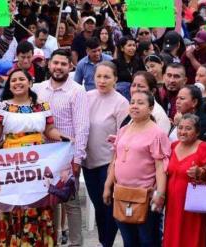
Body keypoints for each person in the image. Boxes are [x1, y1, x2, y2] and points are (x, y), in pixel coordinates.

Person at [0, 68, 64, 246]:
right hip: (11, 163)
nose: (17, 83)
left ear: (30, 82)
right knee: (13, 204)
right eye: (13, 80)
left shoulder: (42, 106)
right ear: (9, 85)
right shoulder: (1, 107)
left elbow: (50, 130)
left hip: (37, 162)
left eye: (21, 79)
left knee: (37, 201)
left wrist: (63, 138)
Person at [33, 49, 90, 246]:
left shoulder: (77, 91)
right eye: (55, 63)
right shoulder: (38, 89)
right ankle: (53, 241)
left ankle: (76, 243)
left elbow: (82, 128)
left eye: (63, 64)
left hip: (67, 156)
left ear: (70, 67)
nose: (58, 67)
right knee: (50, 202)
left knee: (71, 203)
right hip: (43, 154)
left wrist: (77, 159)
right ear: (49, 64)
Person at [103, 91, 171, 246]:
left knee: (147, 240)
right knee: (129, 240)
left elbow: (161, 168)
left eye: (140, 103)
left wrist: (160, 194)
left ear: (151, 108)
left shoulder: (156, 133)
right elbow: (115, 160)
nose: (134, 106)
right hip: (121, 194)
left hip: (145, 196)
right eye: (132, 102)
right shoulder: (124, 129)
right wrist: (108, 185)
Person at [85, 61, 128, 247]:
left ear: (115, 79)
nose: (102, 81)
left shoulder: (121, 102)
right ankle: (104, 241)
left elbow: (123, 137)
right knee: (98, 205)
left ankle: (106, 242)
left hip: (108, 163)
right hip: (88, 162)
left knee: (108, 205)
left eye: (107, 77)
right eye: (99, 77)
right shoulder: (86, 97)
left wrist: (114, 164)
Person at [163, 114, 206, 247]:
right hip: (173, 205)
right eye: (180, 127)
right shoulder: (173, 146)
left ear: (198, 132)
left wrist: (201, 172)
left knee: (191, 238)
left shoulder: (204, 147)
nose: (182, 131)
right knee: (172, 235)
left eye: (188, 128)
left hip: (194, 205)